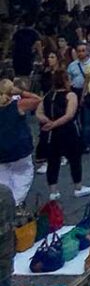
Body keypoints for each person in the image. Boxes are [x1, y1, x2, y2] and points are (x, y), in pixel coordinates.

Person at [36, 69, 90, 200]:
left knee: (53, 161)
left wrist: (48, 121)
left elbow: (39, 112)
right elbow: (69, 115)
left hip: (51, 133)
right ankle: (78, 187)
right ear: (66, 81)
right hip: (68, 131)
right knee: (74, 159)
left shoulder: (48, 95)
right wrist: (55, 123)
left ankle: (53, 191)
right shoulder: (70, 95)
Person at [0, 78, 40, 209]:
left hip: (2, 149)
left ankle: (6, 204)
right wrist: (22, 92)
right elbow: (38, 100)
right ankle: (17, 202)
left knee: (4, 178)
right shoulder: (18, 105)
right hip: (19, 146)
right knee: (23, 174)